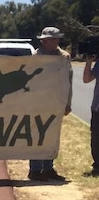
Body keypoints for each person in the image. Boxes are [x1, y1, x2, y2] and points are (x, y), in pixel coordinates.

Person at [28, 26, 72, 181]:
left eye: (55, 39)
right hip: (37, 102)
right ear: (43, 41)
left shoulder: (64, 56)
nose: (53, 41)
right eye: (49, 39)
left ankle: (48, 168)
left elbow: (68, 81)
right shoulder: (35, 56)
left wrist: (68, 102)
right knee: (36, 134)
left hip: (56, 102)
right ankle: (34, 169)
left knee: (52, 135)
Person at [83, 51, 99, 177]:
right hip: (97, 107)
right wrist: (88, 62)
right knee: (96, 138)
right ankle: (97, 165)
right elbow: (87, 79)